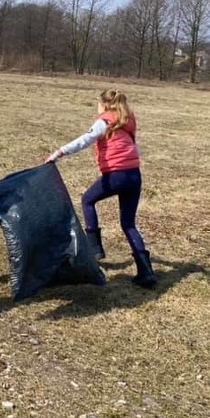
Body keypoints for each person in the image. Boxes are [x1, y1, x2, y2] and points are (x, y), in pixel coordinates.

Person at [46, 89, 156, 288]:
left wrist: (59, 152)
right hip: (134, 175)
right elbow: (133, 146)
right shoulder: (128, 120)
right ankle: (146, 272)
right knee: (128, 224)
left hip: (116, 175)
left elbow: (84, 140)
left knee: (87, 200)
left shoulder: (104, 121)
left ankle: (94, 247)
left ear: (104, 104)